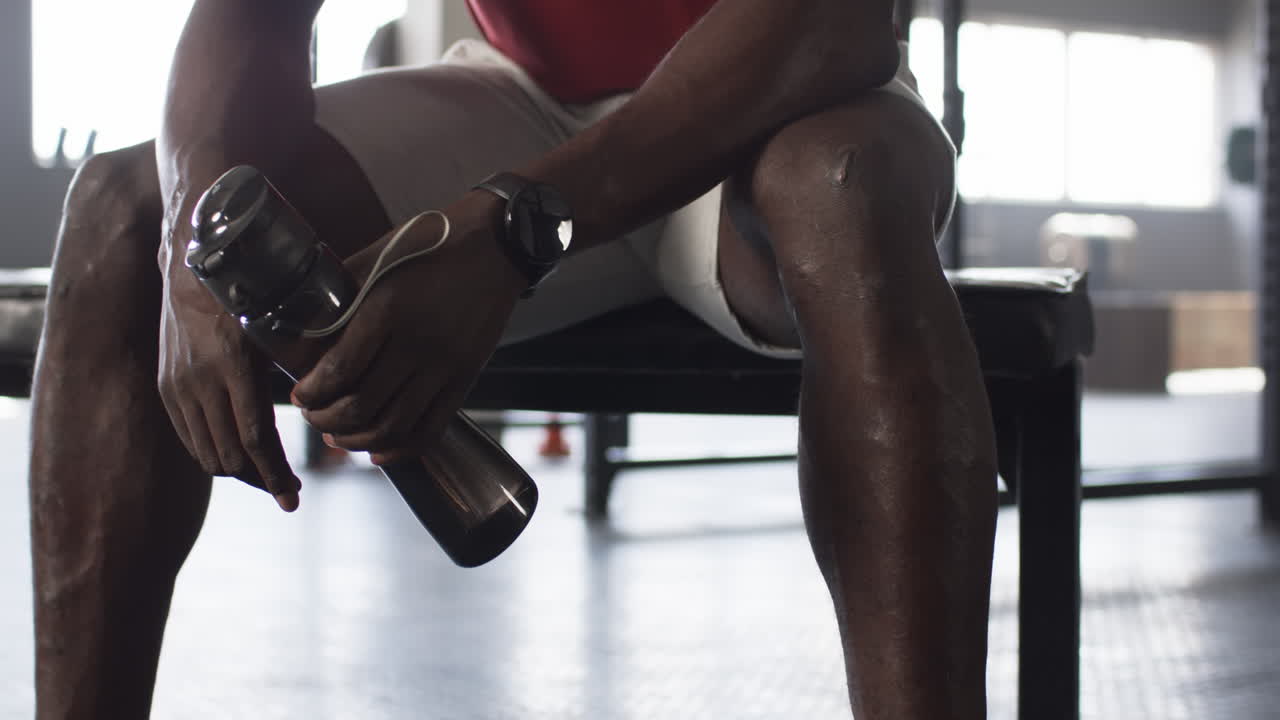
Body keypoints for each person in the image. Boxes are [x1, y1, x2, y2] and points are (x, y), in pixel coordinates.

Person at [28, 1, 998, 718]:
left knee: (842, 188)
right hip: (519, 103)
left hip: (773, 97)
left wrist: (512, 228)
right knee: (125, 210)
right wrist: (189, 255)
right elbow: (252, 16)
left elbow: (842, 18)